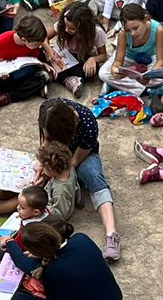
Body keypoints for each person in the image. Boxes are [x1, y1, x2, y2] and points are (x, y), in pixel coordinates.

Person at [3, 218, 123, 300]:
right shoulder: (81, 239)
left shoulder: (51, 271)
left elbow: (25, 263)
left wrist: (9, 242)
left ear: (39, 253)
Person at [39, 97, 123, 261]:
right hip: (56, 157)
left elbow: (74, 162)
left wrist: (59, 174)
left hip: (81, 156)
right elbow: (44, 143)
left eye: (52, 137)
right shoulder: (46, 110)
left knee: (93, 175)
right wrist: (43, 164)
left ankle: (111, 233)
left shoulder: (88, 123)